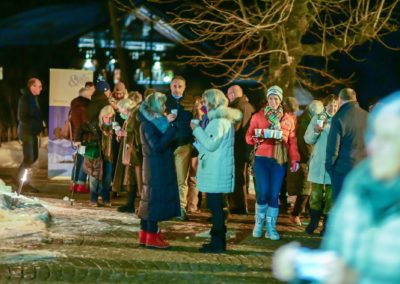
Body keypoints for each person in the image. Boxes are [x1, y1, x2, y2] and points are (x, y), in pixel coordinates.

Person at [273, 91, 400, 284]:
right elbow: (345, 261)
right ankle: (314, 222)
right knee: (316, 197)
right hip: (322, 167)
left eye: (387, 138)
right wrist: (303, 266)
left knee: (329, 199)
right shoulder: (360, 182)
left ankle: (322, 222)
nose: (373, 144)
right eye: (375, 134)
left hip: (333, 168)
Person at [245, 85, 300, 240]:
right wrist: (258, 137)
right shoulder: (258, 116)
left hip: (279, 160)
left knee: (274, 195)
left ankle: (270, 228)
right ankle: (258, 224)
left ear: (280, 100)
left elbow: (292, 141)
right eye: (271, 98)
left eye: (276, 98)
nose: (273, 101)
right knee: (262, 193)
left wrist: (295, 159)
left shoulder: (288, 119)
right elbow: (248, 137)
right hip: (261, 159)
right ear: (267, 99)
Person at [191, 89, 242, 253]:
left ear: (213, 102)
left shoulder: (218, 122)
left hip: (216, 170)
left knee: (215, 207)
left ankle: (218, 243)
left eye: (205, 101)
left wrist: (196, 129)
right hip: (218, 167)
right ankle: (217, 241)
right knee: (217, 207)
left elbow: (211, 144)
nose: (203, 105)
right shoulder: (222, 120)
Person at [137, 92, 180, 249]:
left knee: (150, 200)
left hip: (156, 165)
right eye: (162, 105)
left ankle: (145, 233)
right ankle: (152, 236)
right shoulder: (148, 124)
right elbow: (157, 146)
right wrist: (171, 129)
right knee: (153, 201)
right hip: (156, 167)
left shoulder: (153, 122)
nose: (164, 108)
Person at [303, 95, 338, 235]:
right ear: (325, 106)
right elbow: (307, 138)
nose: (333, 108)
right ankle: (314, 221)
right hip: (318, 162)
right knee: (316, 195)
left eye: (335, 106)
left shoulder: (339, 120)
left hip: (333, 164)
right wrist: (316, 131)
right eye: (330, 105)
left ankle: (327, 225)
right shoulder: (318, 118)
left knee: (330, 196)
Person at [325, 88, 368, 200]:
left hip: (342, 171)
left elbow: (332, 148)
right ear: (355, 99)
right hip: (363, 171)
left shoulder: (338, 118)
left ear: (339, 100)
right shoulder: (368, 117)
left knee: (342, 208)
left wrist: (330, 169)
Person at [288, 100, 324, 226]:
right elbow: (306, 144)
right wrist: (312, 158)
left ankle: (310, 216)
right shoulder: (306, 122)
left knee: (308, 189)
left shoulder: (307, 119)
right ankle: (295, 214)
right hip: (305, 160)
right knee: (305, 190)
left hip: (306, 159)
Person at [165, 76, 195, 220]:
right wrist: (165, 120)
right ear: (170, 86)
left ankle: (181, 207)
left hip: (183, 143)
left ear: (184, 87)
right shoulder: (163, 101)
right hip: (166, 143)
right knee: (166, 176)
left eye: (180, 86)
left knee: (182, 177)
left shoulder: (190, 102)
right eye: (174, 85)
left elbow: (197, 120)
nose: (177, 88)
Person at [226, 85, 255, 214]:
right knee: (243, 178)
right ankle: (243, 205)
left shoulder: (236, 107)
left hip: (236, 146)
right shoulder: (250, 107)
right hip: (247, 147)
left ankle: (239, 206)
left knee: (236, 177)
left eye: (228, 95)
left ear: (232, 94)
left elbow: (234, 129)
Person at [114, 98, 142, 213]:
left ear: (126, 108)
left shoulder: (136, 115)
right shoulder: (131, 116)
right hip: (130, 152)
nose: (120, 112)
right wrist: (121, 134)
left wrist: (125, 133)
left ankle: (142, 205)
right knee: (131, 179)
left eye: (121, 110)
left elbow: (139, 132)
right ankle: (130, 204)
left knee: (139, 178)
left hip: (136, 152)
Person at [17, 77, 45, 193]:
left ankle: (22, 181)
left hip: (32, 132)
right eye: (39, 86)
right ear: (32, 87)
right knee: (29, 158)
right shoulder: (25, 99)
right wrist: (35, 124)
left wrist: (41, 123)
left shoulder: (33, 98)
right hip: (27, 132)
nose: (41, 88)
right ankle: (22, 183)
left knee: (33, 157)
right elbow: (22, 117)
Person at [69, 87, 92, 193]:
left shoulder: (74, 106)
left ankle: (73, 183)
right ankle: (81, 184)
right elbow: (85, 124)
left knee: (78, 161)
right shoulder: (85, 108)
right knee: (84, 161)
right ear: (86, 95)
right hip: (84, 138)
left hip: (76, 138)